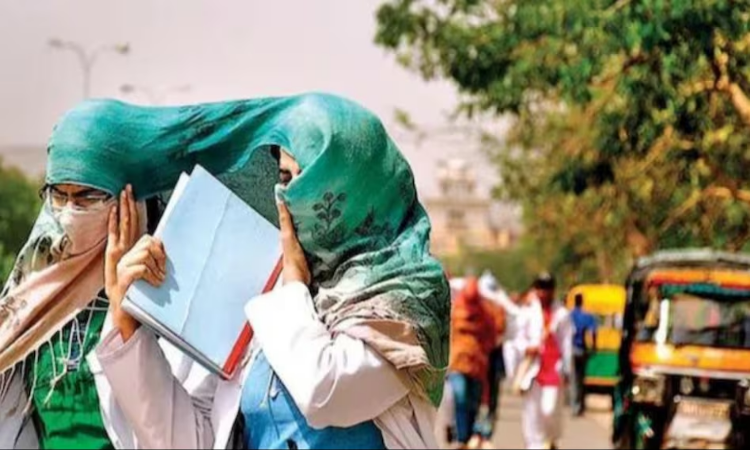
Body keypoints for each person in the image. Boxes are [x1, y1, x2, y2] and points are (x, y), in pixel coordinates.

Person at [39, 93, 448, 450]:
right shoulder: (271, 298)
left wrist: (292, 287)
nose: (290, 196)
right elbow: (191, 442)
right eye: (285, 177)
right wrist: (128, 328)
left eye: (310, 181)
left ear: (355, 187)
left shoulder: (404, 299)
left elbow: (325, 392)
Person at [515, 273, 572, 450]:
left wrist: (568, 370)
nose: (543, 293)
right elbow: (518, 339)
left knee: (549, 410)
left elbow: (567, 343)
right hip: (533, 369)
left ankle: (550, 440)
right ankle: (534, 445)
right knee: (532, 413)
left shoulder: (561, 314)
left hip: (554, 369)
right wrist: (527, 347)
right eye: (539, 288)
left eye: (546, 288)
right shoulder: (527, 312)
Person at [447, 278, 497, 450]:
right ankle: (462, 437)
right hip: (458, 363)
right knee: (460, 398)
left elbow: (493, 335)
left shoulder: (485, 313)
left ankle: (468, 435)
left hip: (477, 365)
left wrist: (483, 350)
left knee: (473, 402)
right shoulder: (454, 311)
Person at [569, 293, 597, 416]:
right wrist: (594, 346)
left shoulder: (569, 315)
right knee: (582, 379)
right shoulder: (587, 316)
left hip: (571, 349)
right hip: (583, 350)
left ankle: (574, 406)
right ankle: (581, 405)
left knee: (574, 379)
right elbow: (593, 332)